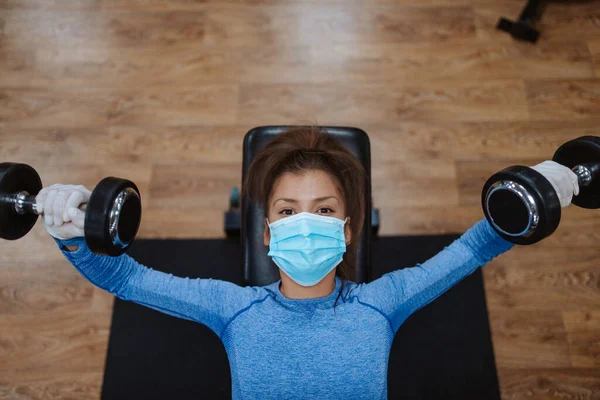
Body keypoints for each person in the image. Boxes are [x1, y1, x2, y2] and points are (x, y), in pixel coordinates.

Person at [38, 127, 579, 399]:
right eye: (288, 211)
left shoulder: (383, 302)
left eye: (323, 210)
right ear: (268, 230)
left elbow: (474, 247)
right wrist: (72, 230)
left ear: (346, 230)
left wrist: (553, 183)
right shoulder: (232, 309)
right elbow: (125, 276)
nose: (305, 221)